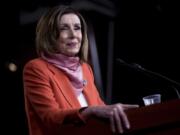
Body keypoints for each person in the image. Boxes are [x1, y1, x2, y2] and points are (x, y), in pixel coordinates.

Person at [23, 5, 139, 135]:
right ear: (49, 35)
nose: (73, 35)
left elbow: (100, 108)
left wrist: (118, 112)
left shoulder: (85, 68)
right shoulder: (36, 68)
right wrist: (89, 111)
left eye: (77, 28)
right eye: (64, 29)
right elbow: (51, 117)